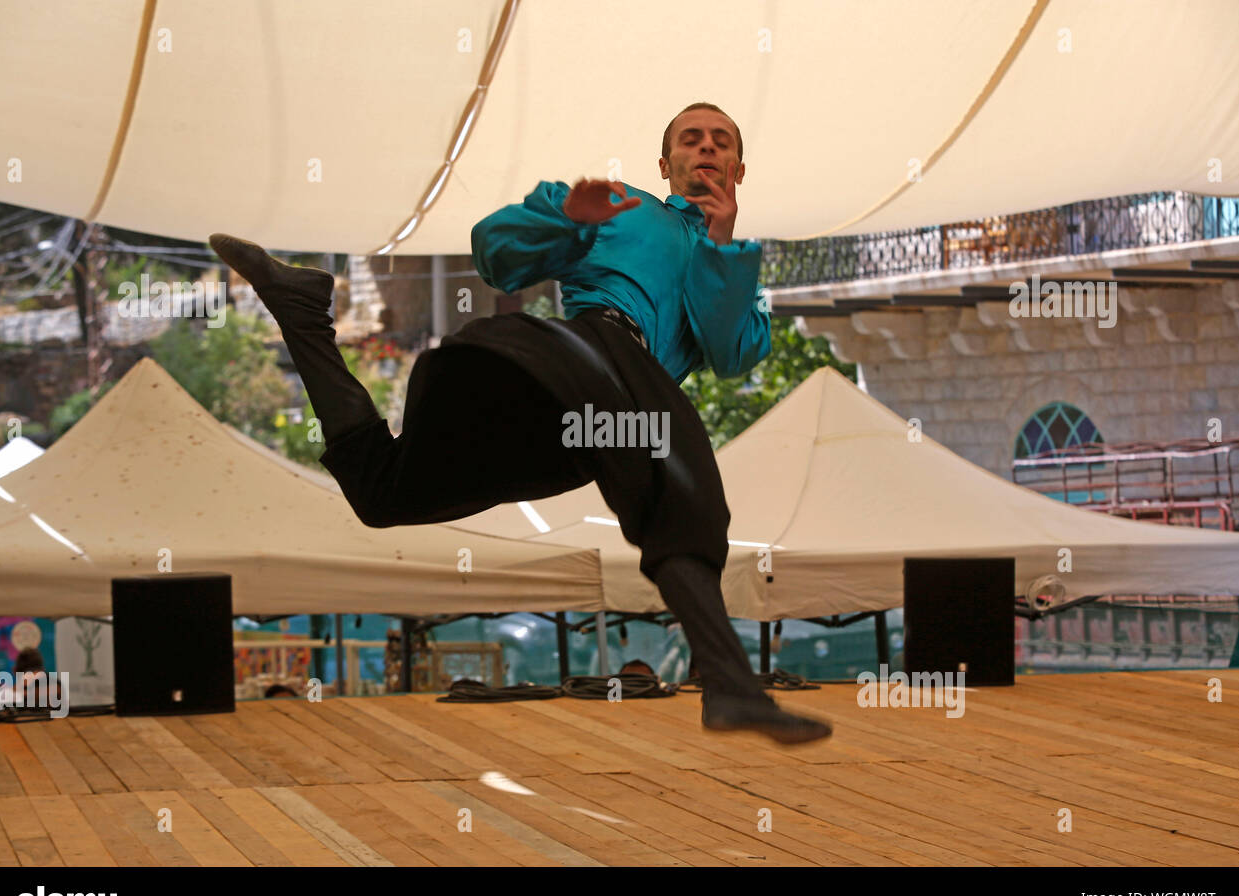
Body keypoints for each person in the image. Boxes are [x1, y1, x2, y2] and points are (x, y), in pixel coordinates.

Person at [209, 102, 831, 744]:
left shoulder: (734, 265)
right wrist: (564, 217)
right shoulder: (631, 208)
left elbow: (732, 352)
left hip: (583, 430)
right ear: (666, 162)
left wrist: (721, 242)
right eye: (689, 139)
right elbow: (496, 256)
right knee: (680, 490)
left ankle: (303, 316)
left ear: (738, 167)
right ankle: (730, 682)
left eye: (719, 140)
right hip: (579, 359)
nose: (705, 148)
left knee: (383, 494)